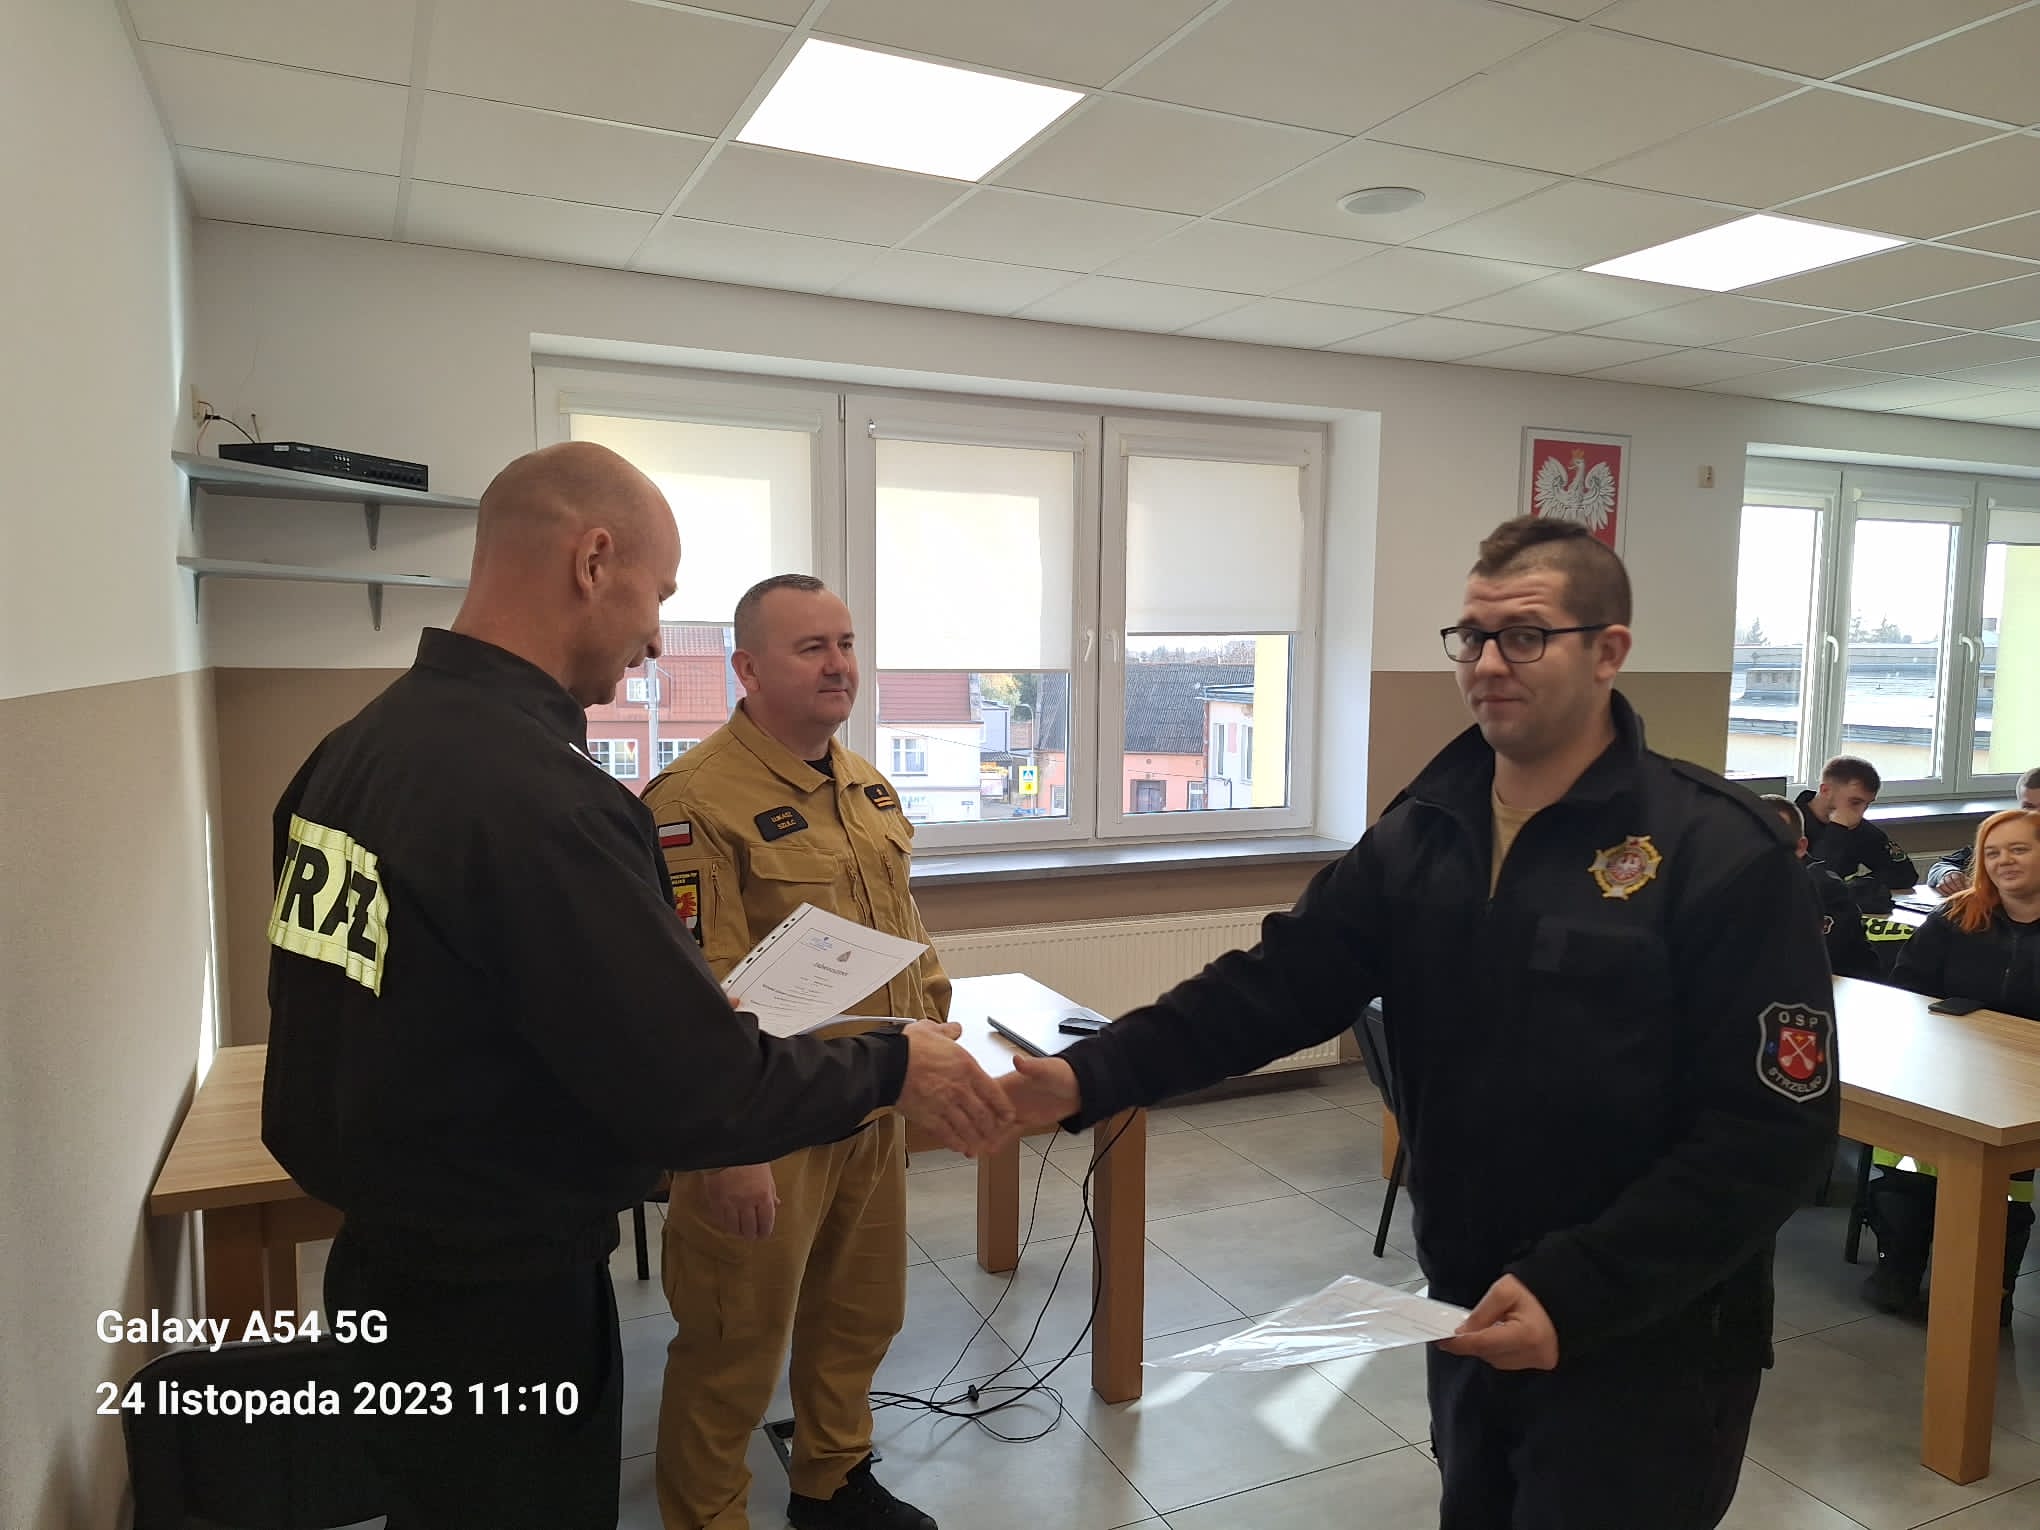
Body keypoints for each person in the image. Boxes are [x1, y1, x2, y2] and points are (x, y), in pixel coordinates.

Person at [999, 517, 1838, 1530]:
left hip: (1647, 1335)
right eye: (1471, 636)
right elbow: (1276, 984)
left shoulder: (1717, 851)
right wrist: (1091, 1075)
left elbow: (1770, 1133)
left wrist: (1581, 1288)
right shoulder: (1427, 829)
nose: (1487, 663)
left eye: (1524, 636)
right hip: (1467, 1301)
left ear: (1608, 651)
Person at [261, 443, 1011, 1530]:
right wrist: (893, 1066)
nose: (658, 637)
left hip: (392, 1255)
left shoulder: (353, 753)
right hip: (501, 1290)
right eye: (658, 596)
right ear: (592, 561)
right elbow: (696, 1082)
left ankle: (833, 1479)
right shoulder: (539, 797)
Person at [645, 575, 943, 1530]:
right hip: (764, 1125)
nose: (838, 664)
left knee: (859, 1314)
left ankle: (832, 1482)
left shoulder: (865, 784)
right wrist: (725, 1147)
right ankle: (707, 1517)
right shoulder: (694, 801)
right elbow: (693, 997)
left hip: (870, 1100)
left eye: (845, 643)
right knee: (733, 1343)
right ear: (747, 668)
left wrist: (933, 1035)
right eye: (811, 647)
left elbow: (905, 933)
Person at [1866, 808, 2040, 1323]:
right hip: (1944, 1070)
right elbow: (1906, 988)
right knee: (1906, 1166)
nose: (2004, 861)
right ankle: (1899, 1268)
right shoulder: (1957, 916)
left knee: (2007, 1191)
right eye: (1993, 852)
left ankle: (1990, 1289)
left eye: (2019, 849)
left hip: (2025, 1087)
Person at [1760, 794, 1879, 980]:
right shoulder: (1742, 883)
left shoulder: (1823, 889)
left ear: (1800, 847)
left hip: (1845, 988)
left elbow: (1804, 963)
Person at [1795, 756, 1917, 914]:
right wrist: (1837, 830)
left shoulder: (1858, 826)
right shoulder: (1789, 824)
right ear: (1825, 791)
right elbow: (1812, 883)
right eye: (1855, 802)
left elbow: (1905, 874)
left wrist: (1857, 885)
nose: (1861, 812)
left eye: (1867, 804)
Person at [1925, 766, 2040, 894]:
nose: (2036, 814)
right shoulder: (2006, 839)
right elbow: (1940, 866)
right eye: (2028, 808)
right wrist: (1948, 874)